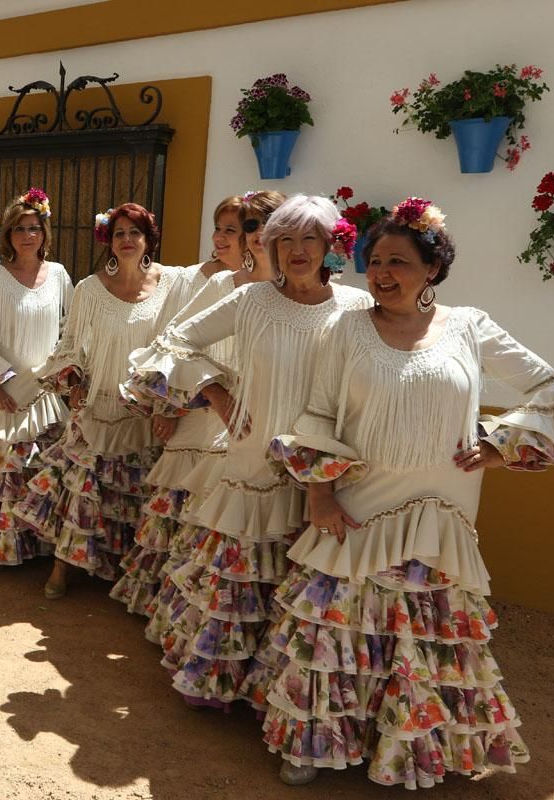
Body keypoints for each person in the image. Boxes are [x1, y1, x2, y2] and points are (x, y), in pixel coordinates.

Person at [249, 198, 554, 788]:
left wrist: (499, 443)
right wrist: (317, 494)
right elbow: (317, 413)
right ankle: (315, 745)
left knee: (425, 637)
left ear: (433, 267)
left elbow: (548, 385)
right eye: (374, 261)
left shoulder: (470, 326)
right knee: (341, 631)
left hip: (445, 512)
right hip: (361, 507)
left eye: (399, 261)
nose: (383, 274)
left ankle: (411, 749)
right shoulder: (348, 327)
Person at [124, 195, 371, 708]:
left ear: (332, 245)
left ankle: (281, 695)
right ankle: (222, 682)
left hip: (326, 472)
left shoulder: (358, 307)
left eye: (308, 239)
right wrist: (218, 394)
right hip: (252, 459)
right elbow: (174, 342)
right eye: (284, 240)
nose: (295, 250)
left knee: (302, 590)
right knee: (240, 580)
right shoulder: (251, 300)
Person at [111, 191, 285, 618]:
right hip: (215, 427)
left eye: (267, 223)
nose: (256, 234)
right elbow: (172, 344)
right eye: (247, 226)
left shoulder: (302, 293)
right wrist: (211, 394)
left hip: (276, 433)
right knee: (199, 531)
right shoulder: (224, 286)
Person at [13, 202, 189, 599]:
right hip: (97, 403)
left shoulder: (173, 284)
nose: (127, 240)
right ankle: (60, 569)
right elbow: (71, 345)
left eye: (135, 233)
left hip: (143, 409)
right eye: (119, 233)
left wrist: (169, 405)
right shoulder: (90, 288)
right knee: (82, 487)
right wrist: (73, 380)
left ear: (149, 239)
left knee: (132, 494)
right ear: (108, 240)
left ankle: (116, 570)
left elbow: (179, 347)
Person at [0, 188, 74, 571]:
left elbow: (70, 330)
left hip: (44, 392)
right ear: (8, 235)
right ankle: (2, 547)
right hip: (5, 391)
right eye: (20, 228)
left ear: (44, 232)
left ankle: (37, 546)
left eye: (34, 227)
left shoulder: (58, 275)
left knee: (40, 472)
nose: (27, 235)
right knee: (5, 474)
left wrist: (61, 375)